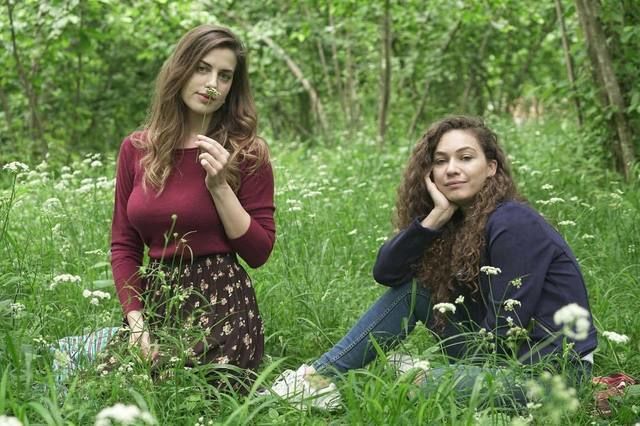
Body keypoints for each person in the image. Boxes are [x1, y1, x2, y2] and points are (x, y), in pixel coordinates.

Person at [263, 115, 597, 409]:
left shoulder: (512, 222)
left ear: (491, 167)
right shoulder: (459, 223)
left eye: (466, 158)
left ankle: (413, 373)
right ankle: (318, 379)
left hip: (550, 374)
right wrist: (434, 219)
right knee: (415, 292)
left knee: (413, 386)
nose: (452, 168)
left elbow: (504, 331)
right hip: (503, 358)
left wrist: (440, 372)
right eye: (441, 161)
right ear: (430, 174)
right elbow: (387, 273)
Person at [110, 24, 275, 384]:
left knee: (187, 391)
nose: (212, 83)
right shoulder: (137, 149)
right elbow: (124, 246)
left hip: (221, 304)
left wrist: (219, 186)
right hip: (156, 301)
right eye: (202, 68)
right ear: (180, 70)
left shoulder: (248, 152)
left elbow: (259, 253)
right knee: (114, 390)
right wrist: (136, 323)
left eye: (224, 75)